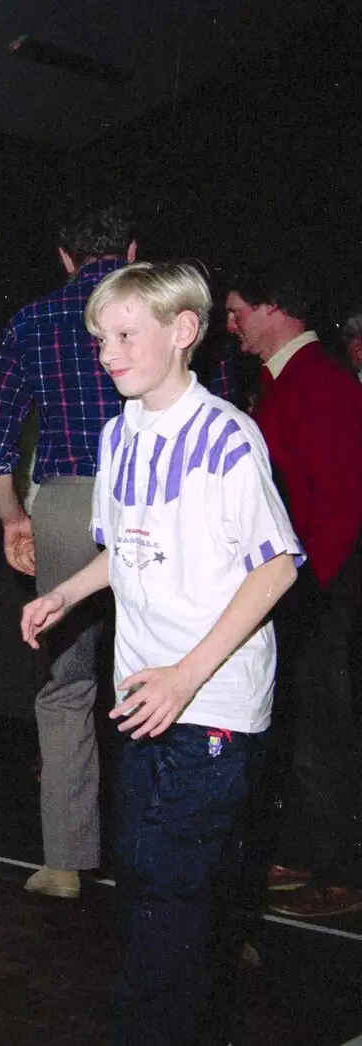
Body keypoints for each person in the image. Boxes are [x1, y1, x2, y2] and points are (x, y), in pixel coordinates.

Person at [23, 261, 299, 1045]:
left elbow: (276, 566)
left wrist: (186, 676)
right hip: (144, 695)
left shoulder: (226, 437)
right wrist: (66, 595)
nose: (106, 354)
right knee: (147, 878)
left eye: (123, 336)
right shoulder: (119, 433)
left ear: (182, 332)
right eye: (99, 339)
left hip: (209, 699)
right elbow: (126, 549)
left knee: (172, 898)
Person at [0, 204, 137, 899]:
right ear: (131, 252)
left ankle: (65, 861)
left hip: (68, 499)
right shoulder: (158, 312)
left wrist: (14, 518)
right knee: (165, 677)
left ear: (66, 258)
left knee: (67, 685)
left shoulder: (33, 319)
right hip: (152, 492)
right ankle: (161, 862)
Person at [226, 266, 362, 919]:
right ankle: (307, 853)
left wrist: (308, 594)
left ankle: (342, 873)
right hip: (293, 590)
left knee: (325, 731)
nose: (231, 325)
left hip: (319, 594)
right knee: (300, 729)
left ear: (274, 307)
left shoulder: (322, 383)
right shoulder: (280, 382)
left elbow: (339, 504)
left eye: (236, 311)